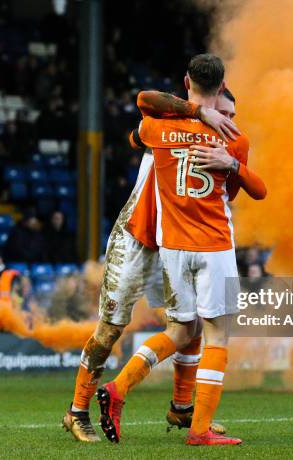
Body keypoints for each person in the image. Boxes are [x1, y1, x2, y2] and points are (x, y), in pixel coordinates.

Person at [62, 87, 264, 442]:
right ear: (206, 107)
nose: (227, 122)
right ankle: (77, 411)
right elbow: (140, 115)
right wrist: (197, 114)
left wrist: (230, 163)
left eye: (232, 117)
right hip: (138, 236)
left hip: (176, 240)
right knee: (110, 329)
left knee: (190, 324)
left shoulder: (220, 143)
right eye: (221, 114)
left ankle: (182, 407)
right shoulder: (169, 122)